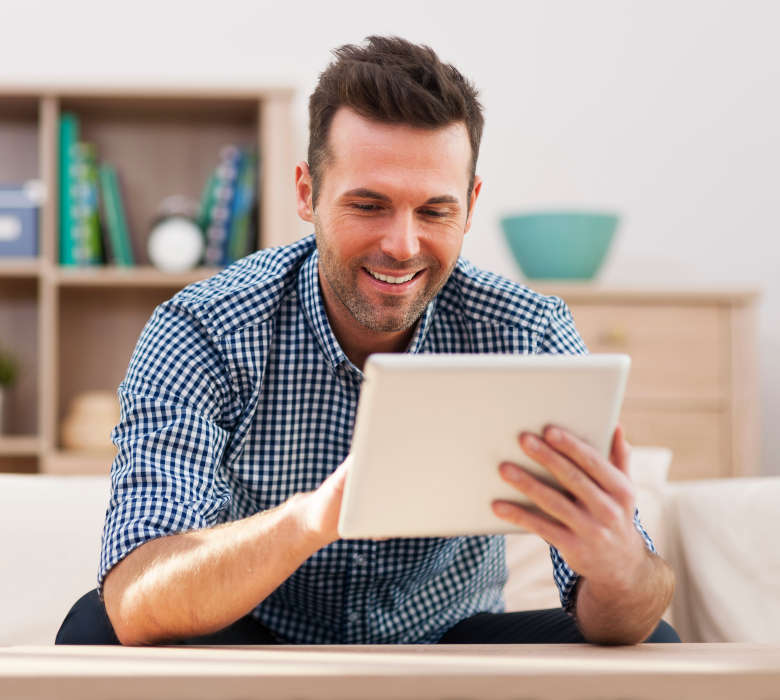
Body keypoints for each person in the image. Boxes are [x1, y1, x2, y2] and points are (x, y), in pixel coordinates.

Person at [56, 36, 678, 647]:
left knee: (656, 644)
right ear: (307, 193)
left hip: (449, 641)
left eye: (434, 211)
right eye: (369, 204)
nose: (403, 245)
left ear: (471, 203)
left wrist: (622, 568)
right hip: (257, 640)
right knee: (94, 629)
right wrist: (314, 518)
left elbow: (624, 613)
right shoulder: (204, 329)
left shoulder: (528, 332)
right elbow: (135, 598)